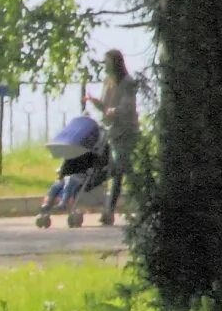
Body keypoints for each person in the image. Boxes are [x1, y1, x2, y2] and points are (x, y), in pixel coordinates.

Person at [96, 48, 144, 226]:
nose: (105, 65)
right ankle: (139, 203)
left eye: (108, 61)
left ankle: (113, 209)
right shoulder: (108, 82)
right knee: (121, 171)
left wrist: (112, 111)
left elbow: (127, 106)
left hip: (127, 132)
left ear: (116, 63)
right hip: (113, 132)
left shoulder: (128, 82)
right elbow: (105, 106)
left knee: (120, 170)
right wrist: (96, 103)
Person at [37, 114, 107, 228]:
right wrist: (62, 174)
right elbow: (66, 167)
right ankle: (47, 205)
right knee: (55, 186)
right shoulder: (73, 151)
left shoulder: (93, 153)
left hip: (84, 177)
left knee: (69, 181)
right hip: (71, 177)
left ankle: (63, 203)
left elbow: (99, 164)